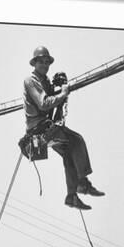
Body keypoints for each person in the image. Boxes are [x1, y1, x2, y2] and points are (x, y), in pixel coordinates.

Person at [23, 46, 105, 210]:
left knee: (69, 153)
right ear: (35, 63)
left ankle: (71, 195)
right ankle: (82, 183)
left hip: (46, 127)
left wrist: (58, 87)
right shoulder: (31, 80)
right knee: (76, 140)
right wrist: (63, 93)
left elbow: (52, 103)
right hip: (38, 129)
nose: (45, 65)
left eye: (47, 62)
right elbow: (44, 103)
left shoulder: (44, 81)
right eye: (42, 62)